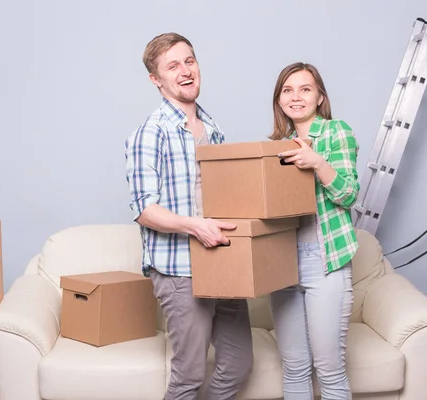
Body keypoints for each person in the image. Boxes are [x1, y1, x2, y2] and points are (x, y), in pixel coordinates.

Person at [124, 32, 253, 400]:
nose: (185, 71)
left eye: (190, 61)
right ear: (156, 79)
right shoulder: (150, 133)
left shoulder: (214, 130)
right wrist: (195, 227)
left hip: (222, 262)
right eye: (173, 65)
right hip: (179, 271)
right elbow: (144, 209)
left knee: (238, 362)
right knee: (189, 375)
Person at [269, 62, 360, 400]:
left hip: (325, 260)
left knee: (330, 371)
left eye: (305, 89)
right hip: (281, 266)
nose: (296, 97)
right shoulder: (277, 146)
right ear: (279, 100)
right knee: (294, 368)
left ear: (320, 96)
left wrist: (317, 162)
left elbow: (349, 195)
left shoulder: (337, 132)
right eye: (288, 90)